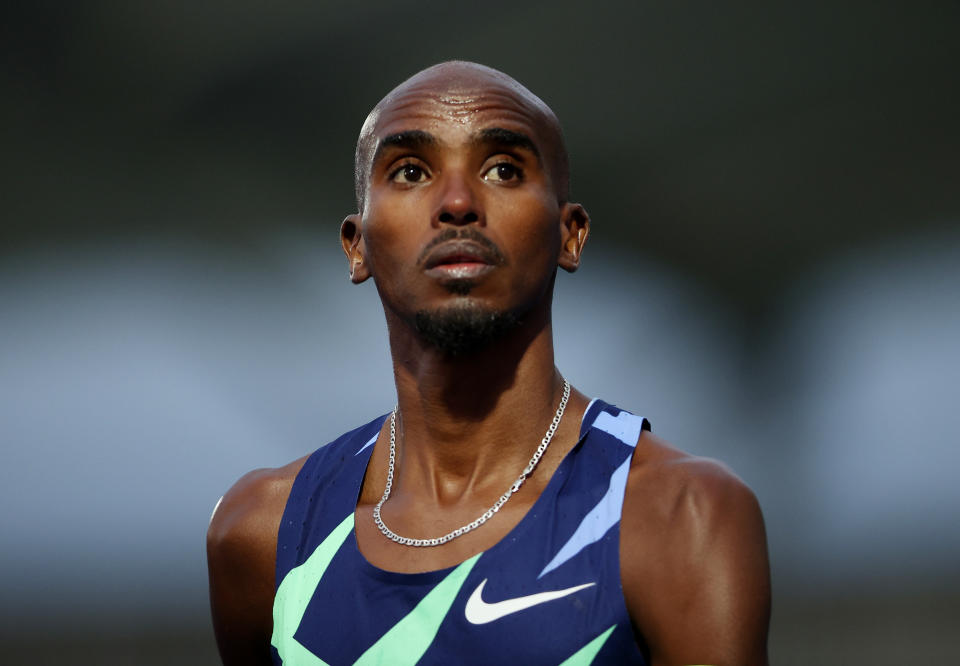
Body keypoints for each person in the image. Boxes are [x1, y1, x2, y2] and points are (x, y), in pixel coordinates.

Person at [207, 61, 771, 666]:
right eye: (410, 171)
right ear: (357, 245)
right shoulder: (261, 534)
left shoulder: (679, 516)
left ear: (570, 234)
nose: (456, 203)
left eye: (504, 169)